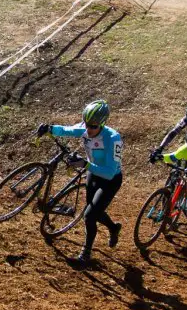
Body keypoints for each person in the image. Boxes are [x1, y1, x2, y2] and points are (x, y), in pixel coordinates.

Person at [37, 100, 123, 265]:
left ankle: (86, 252)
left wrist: (85, 164)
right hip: (92, 173)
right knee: (93, 210)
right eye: (86, 125)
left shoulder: (113, 139)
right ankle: (113, 228)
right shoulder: (85, 128)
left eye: (93, 127)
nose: (88, 130)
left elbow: (110, 172)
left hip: (110, 180)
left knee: (89, 215)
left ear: (103, 124)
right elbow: (67, 129)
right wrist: (49, 128)